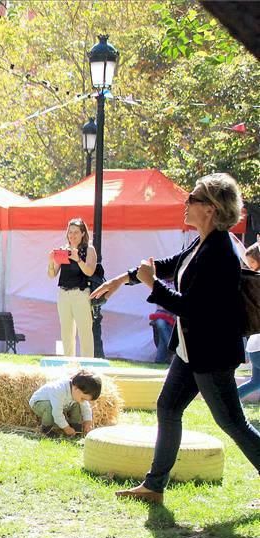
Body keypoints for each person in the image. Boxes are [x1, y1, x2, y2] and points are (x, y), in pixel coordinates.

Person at [92, 173, 260, 503]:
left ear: (210, 208)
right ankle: (154, 487)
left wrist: (153, 285)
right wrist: (120, 279)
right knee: (168, 407)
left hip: (211, 354)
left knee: (233, 423)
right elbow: (169, 266)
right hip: (191, 349)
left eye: (193, 199)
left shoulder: (221, 252)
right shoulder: (203, 242)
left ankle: (154, 485)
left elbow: (192, 308)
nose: (186, 203)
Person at [48, 218, 98, 357]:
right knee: (66, 331)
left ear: (83, 233)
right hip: (64, 294)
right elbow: (52, 274)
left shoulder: (89, 249)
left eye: (76, 232)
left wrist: (78, 259)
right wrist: (51, 261)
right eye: (70, 232)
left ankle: (87, 365)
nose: (72, 235)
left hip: (81, 293)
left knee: (84, 331)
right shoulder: (64, 250)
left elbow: (89, 271)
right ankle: (68, 363)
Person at [29, 369, 102, 437]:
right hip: (39, 403)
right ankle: (46, 429)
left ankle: (76, 427)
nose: (83, 401)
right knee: (49, 407)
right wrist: (66, 428)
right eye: (83, 398)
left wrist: (88, 422)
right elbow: (57, 413)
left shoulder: (77, 392)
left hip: (60, 404)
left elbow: (85, 407)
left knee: (77, 404)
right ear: (76, 388)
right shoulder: (59, 389)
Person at [239, 243, 260, 401]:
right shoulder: (255, 280)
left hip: (254, 348)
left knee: (256, 382)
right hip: (257, 347)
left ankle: (227, 403)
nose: (249, 266)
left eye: (251, 262)